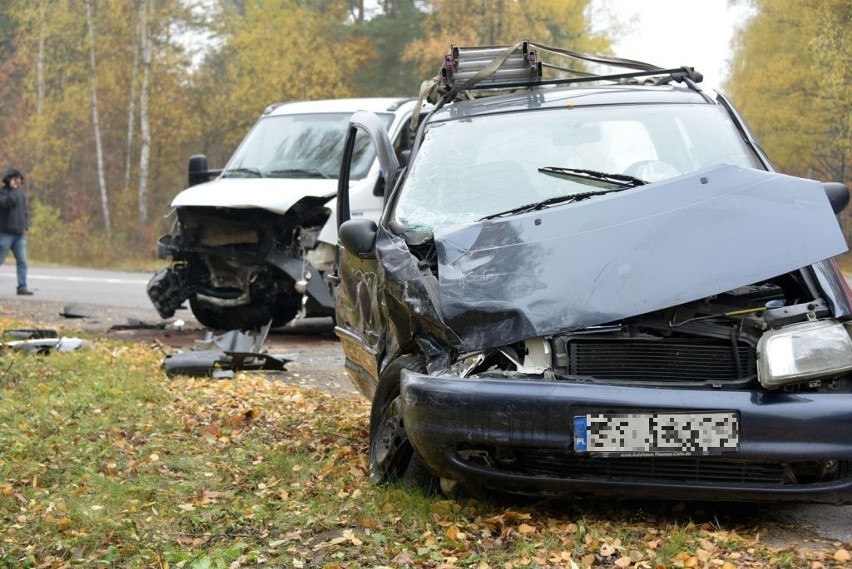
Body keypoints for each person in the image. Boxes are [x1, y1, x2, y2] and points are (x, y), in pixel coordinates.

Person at [0, 167, 33, 295]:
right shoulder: (3, 193)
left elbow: (24, 211)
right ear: (10, 179)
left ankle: (22, 286)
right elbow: (6, 204)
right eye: (16, 178)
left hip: (19, 235)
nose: (19, 181)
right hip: (5, 234)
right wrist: (12, 190)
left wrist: (25, 225)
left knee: (22, 261)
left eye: (20, 179)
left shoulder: (20, 194)